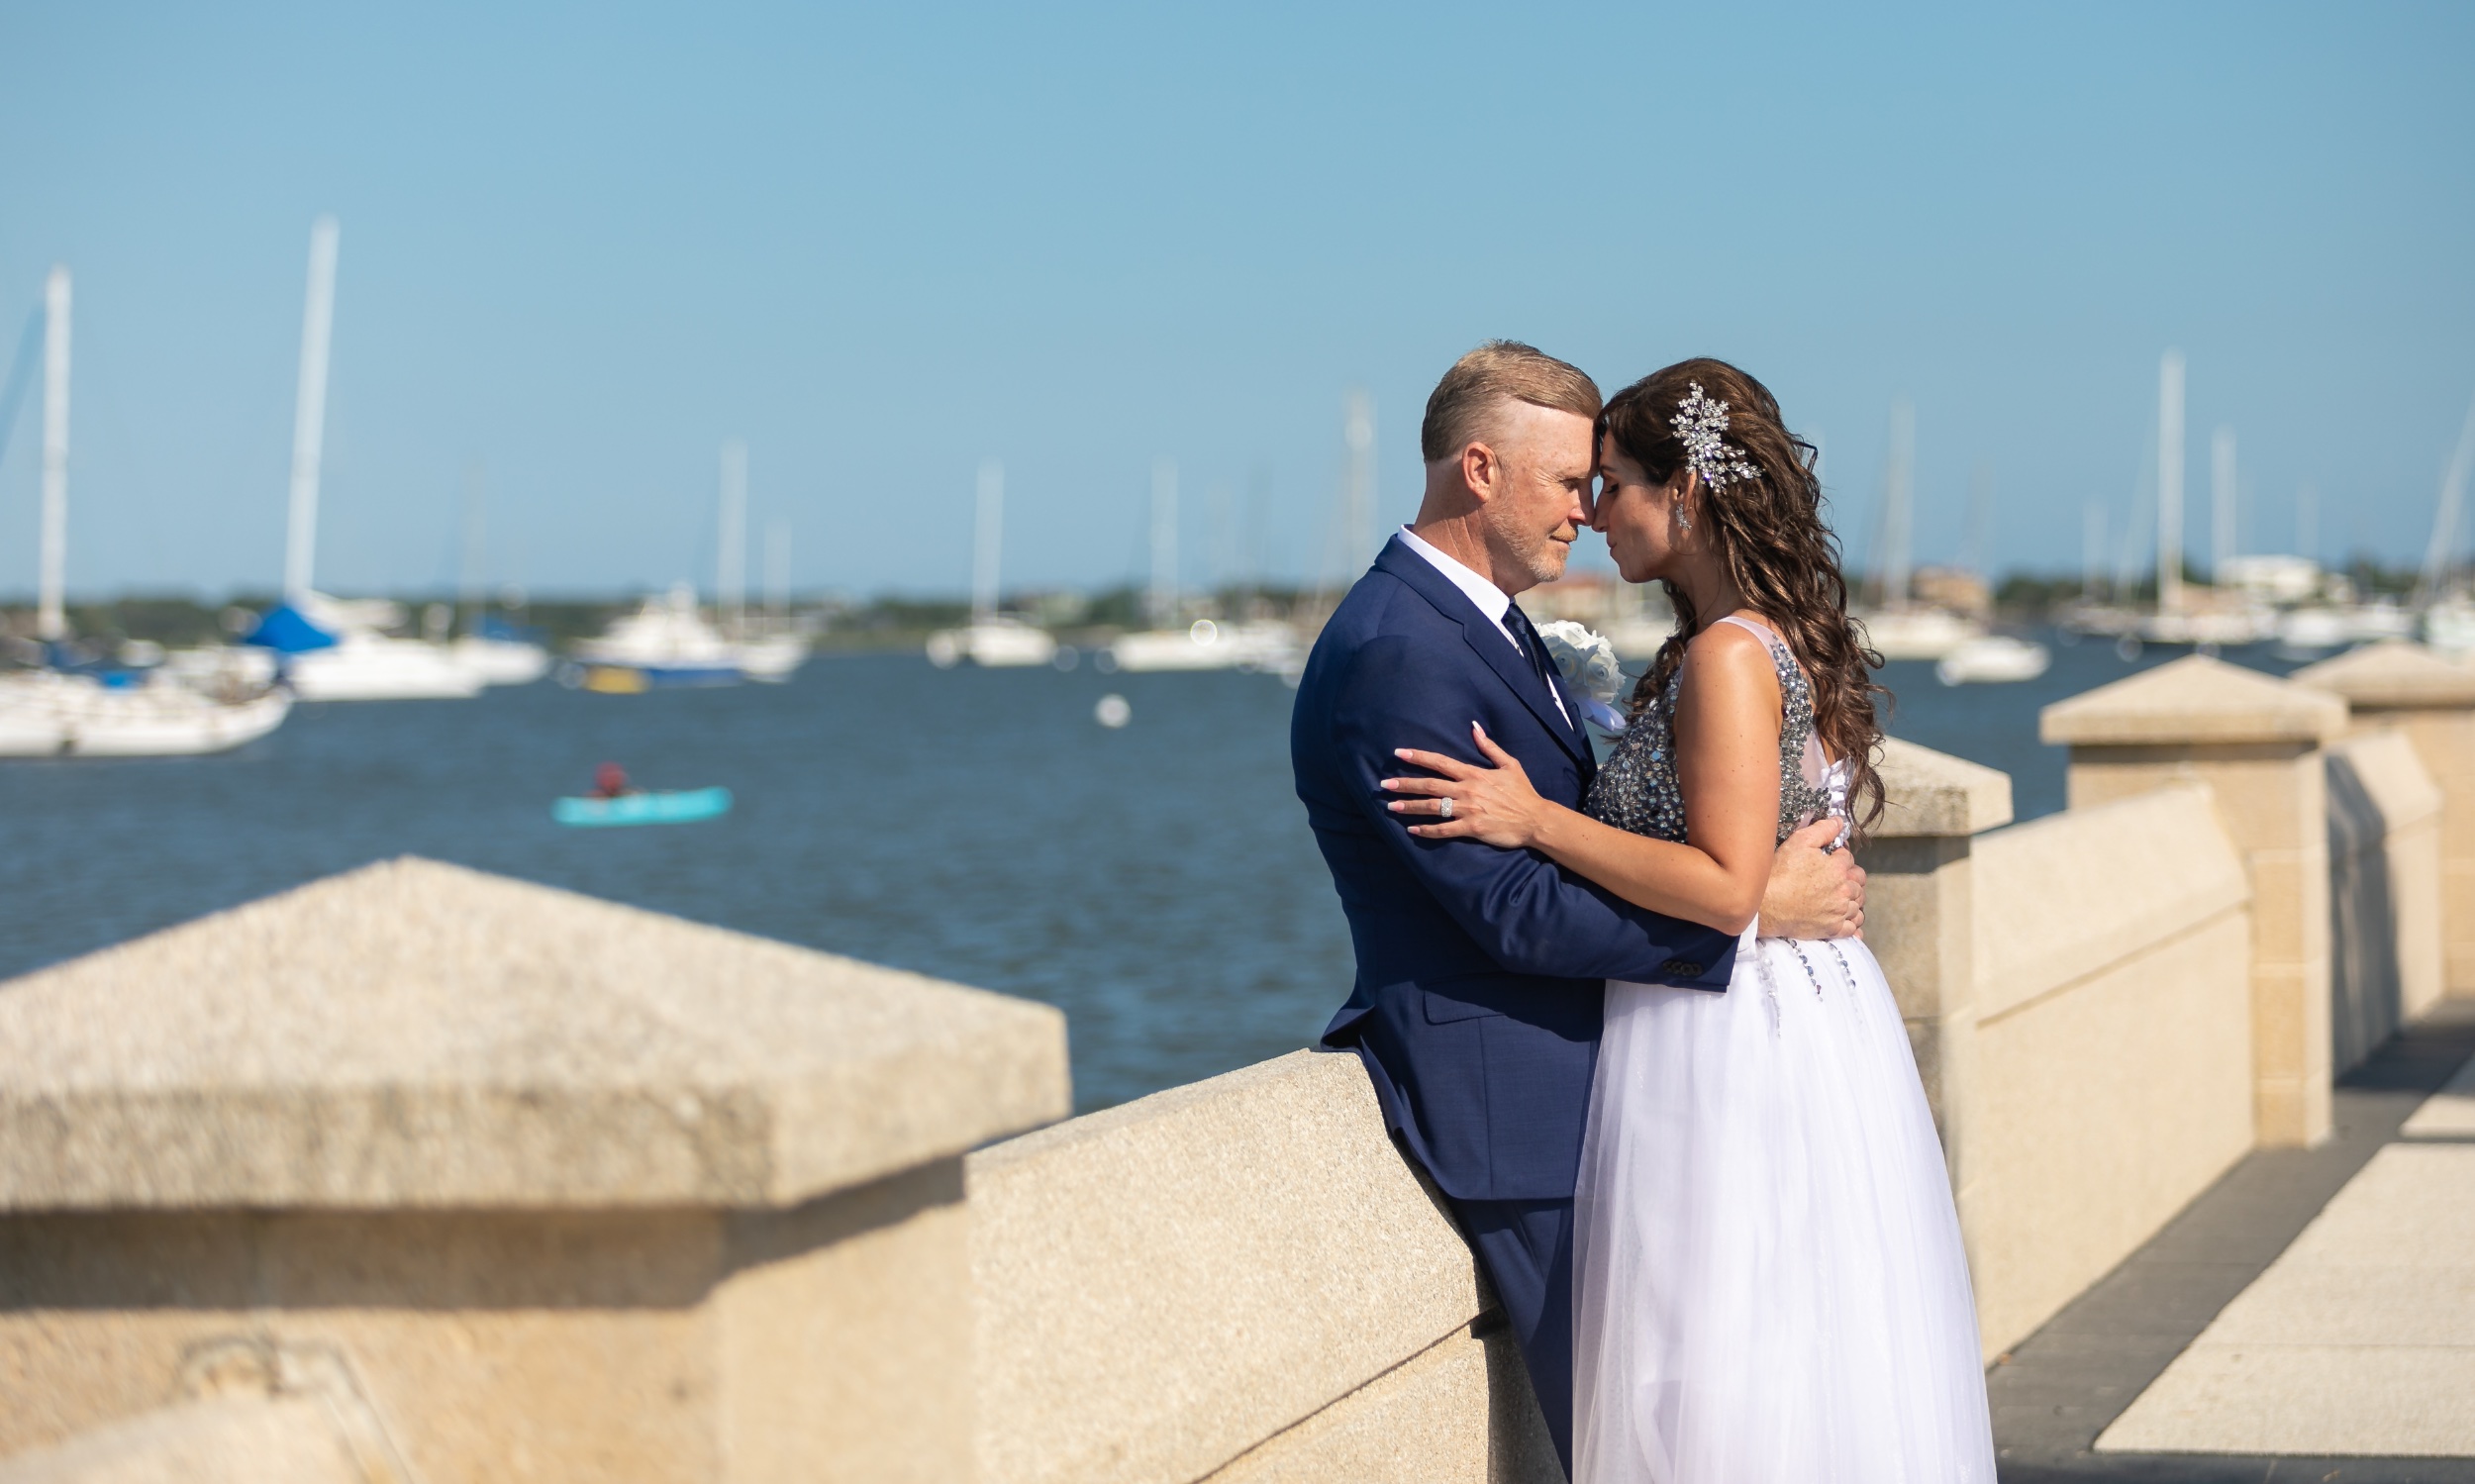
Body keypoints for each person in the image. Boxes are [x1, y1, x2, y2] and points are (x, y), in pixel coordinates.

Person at [1380, 358, 1995, 1481]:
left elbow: (1717, 883)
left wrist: (1532, 818)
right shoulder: (1751, 638)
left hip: (1725, 1031)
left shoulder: (1722, 654)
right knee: (1784, 1343)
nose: (1595, 510)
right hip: (1786, 1010)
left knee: (1721, 1350)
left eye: (1612, 482)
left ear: (1691, 494)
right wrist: (1769, 888)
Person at [1289, 343, 1866, 1476]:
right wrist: (1747, 914)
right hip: (1524, 1115)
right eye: (1567, 483)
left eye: (1602, 483)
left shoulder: (1488, 626)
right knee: (1648, 1452)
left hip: (1619, 1092)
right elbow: (1509, 911)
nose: (1586, 513)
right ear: (1480, 468)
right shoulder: (1399, 650)